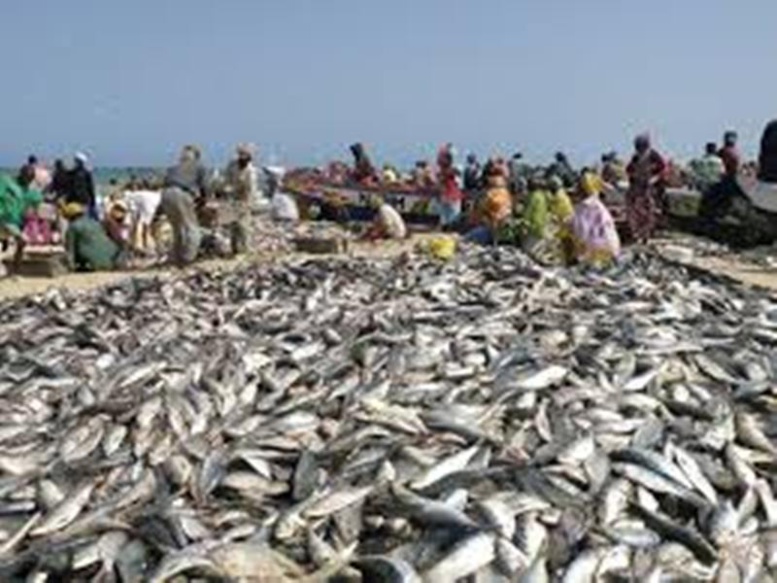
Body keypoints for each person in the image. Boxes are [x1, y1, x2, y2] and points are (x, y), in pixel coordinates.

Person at [159, 145, 209, 267]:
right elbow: (204, 187)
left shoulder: (173, 168)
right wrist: (203, 201)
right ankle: (188, 259)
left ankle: (176, 258)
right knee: (192, 228)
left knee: (177, 229)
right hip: (180, 193)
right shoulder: (199, 166)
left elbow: (165, 183)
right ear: (197, 157)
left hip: (165, 194)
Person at [571, 172, 621, 268]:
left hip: (596, 254)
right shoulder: (598, 206)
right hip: (612, 249)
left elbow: (582, 233)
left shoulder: (584, 207)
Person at [626, 134, 666, 243]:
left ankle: (645, 234)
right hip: (638, 186)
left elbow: (663, 169)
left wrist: (654, 179)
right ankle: (636, 233)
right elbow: (629, 169)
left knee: (649, 211)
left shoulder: (654, 155)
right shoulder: (636, 157)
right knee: (634, 209)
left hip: (651, 187)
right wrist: (633, 176)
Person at [62, 203, 125, 272]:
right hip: (110, 260)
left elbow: (70, 250)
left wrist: (71, 267)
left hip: (91, 264)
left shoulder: (73, 227)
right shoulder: (95, 222)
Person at [0, 174, 43, 272]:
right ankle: (12, 267)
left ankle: (15, 268)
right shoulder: (10, 184)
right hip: (6, 219)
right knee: (21, 241)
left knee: (18, 243)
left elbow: (36, 201)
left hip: (14, 220)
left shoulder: (22, 189)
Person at [223, 143, 259, 255]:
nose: (244, 158)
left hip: (244, 199)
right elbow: (226, 179)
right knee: (233, 225)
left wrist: (248, 203)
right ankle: (235, 249)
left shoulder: (251, 170)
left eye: (246, 155)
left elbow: (251, 189)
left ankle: (245, 249)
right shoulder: (231, 165)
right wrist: (227, 190)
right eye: (242, 155)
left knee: (243, 226)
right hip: (231, 197)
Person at [547, 175, 575, 262]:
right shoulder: (561, 194)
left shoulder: (559, 197)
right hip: (565, 224)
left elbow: (556, 212)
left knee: (565, 248)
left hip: (563, 225)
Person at [436, 144, 463, 230]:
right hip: (451, 196)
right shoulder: (449, 170)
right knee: (451, 219)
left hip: (447, 195)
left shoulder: (444, 170)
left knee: (447, 219)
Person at [66, 153, 97, 219]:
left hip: (74, 199)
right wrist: (93, 202)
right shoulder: (86, 173)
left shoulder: (72, 173)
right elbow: (91, 188)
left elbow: (68, 186)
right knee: (82, 217)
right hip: (83, 199)